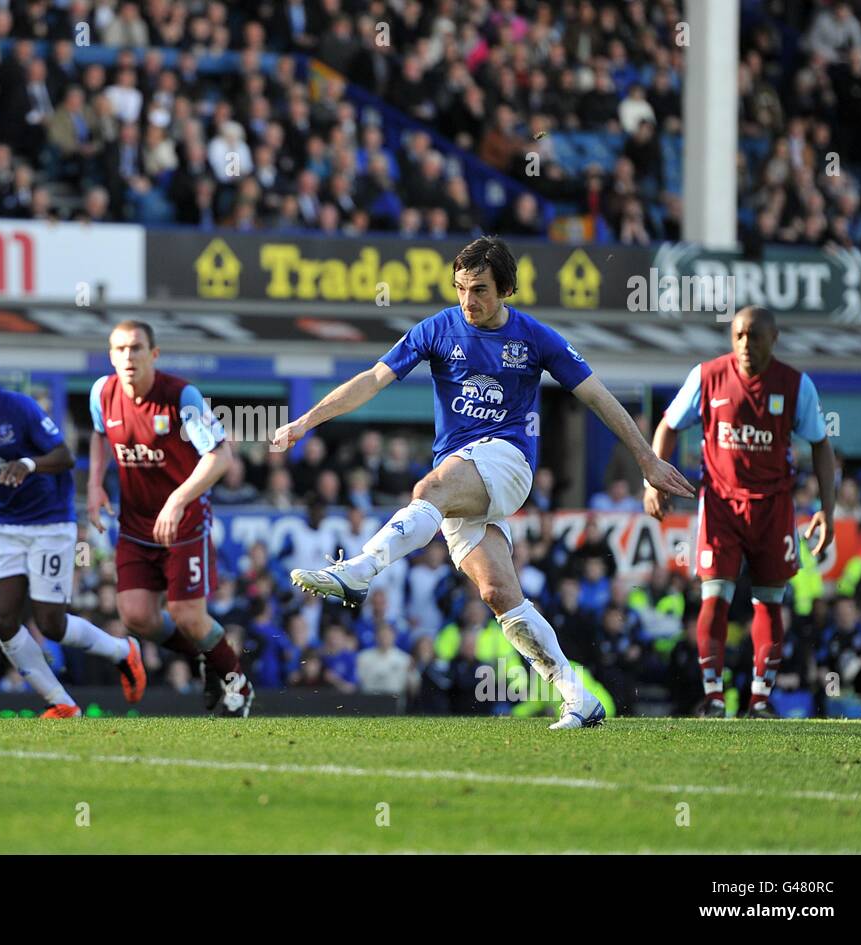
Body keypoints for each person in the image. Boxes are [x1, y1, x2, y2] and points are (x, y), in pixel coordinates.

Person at [274, 236, 694, 729]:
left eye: (480, 290)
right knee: (498, 593)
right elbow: (372, 378)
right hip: (464, 477)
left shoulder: (535, 339)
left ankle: (361, 570)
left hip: (508, 461)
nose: (468, 302)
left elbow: (599, 397)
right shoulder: (437, 329)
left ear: (506, 289)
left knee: (426, 491)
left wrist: (646, 459)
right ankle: (578, 696)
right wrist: (307, 420)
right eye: (460, 289)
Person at [0, 343, 145, 718]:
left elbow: (65, 456)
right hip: (2, 525)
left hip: (50, 522)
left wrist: (27, 463)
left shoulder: (19, 409)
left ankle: (124, 651)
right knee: (2, 619)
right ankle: (62, 703)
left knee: (50, 624)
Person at [646, 306, 834, 718]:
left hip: (774, 508)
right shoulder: (707, 376)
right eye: (739, 336)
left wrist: (826, 510)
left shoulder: (795, 385)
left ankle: (760, 700)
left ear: (774, 338)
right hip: (719, 506)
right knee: (714, 598)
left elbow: (821, 443)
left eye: (755, 336)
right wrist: (652, 479)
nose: (746, 344)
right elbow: (668, 425)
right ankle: (713, 697)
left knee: (770, 602)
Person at [87, 321, 254, 716]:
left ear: (154, 354)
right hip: (134, 525)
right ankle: (208, 657)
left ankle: (238, 685)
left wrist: (177, 500)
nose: (128, 357)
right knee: (136, 615)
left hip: (184, 524)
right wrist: (94, 484)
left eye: (137, 348)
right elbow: (98, 435)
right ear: (111, 355)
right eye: (120, 349)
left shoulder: (180, 396)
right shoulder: (102, 393)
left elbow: (220, 454)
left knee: (186, 614)